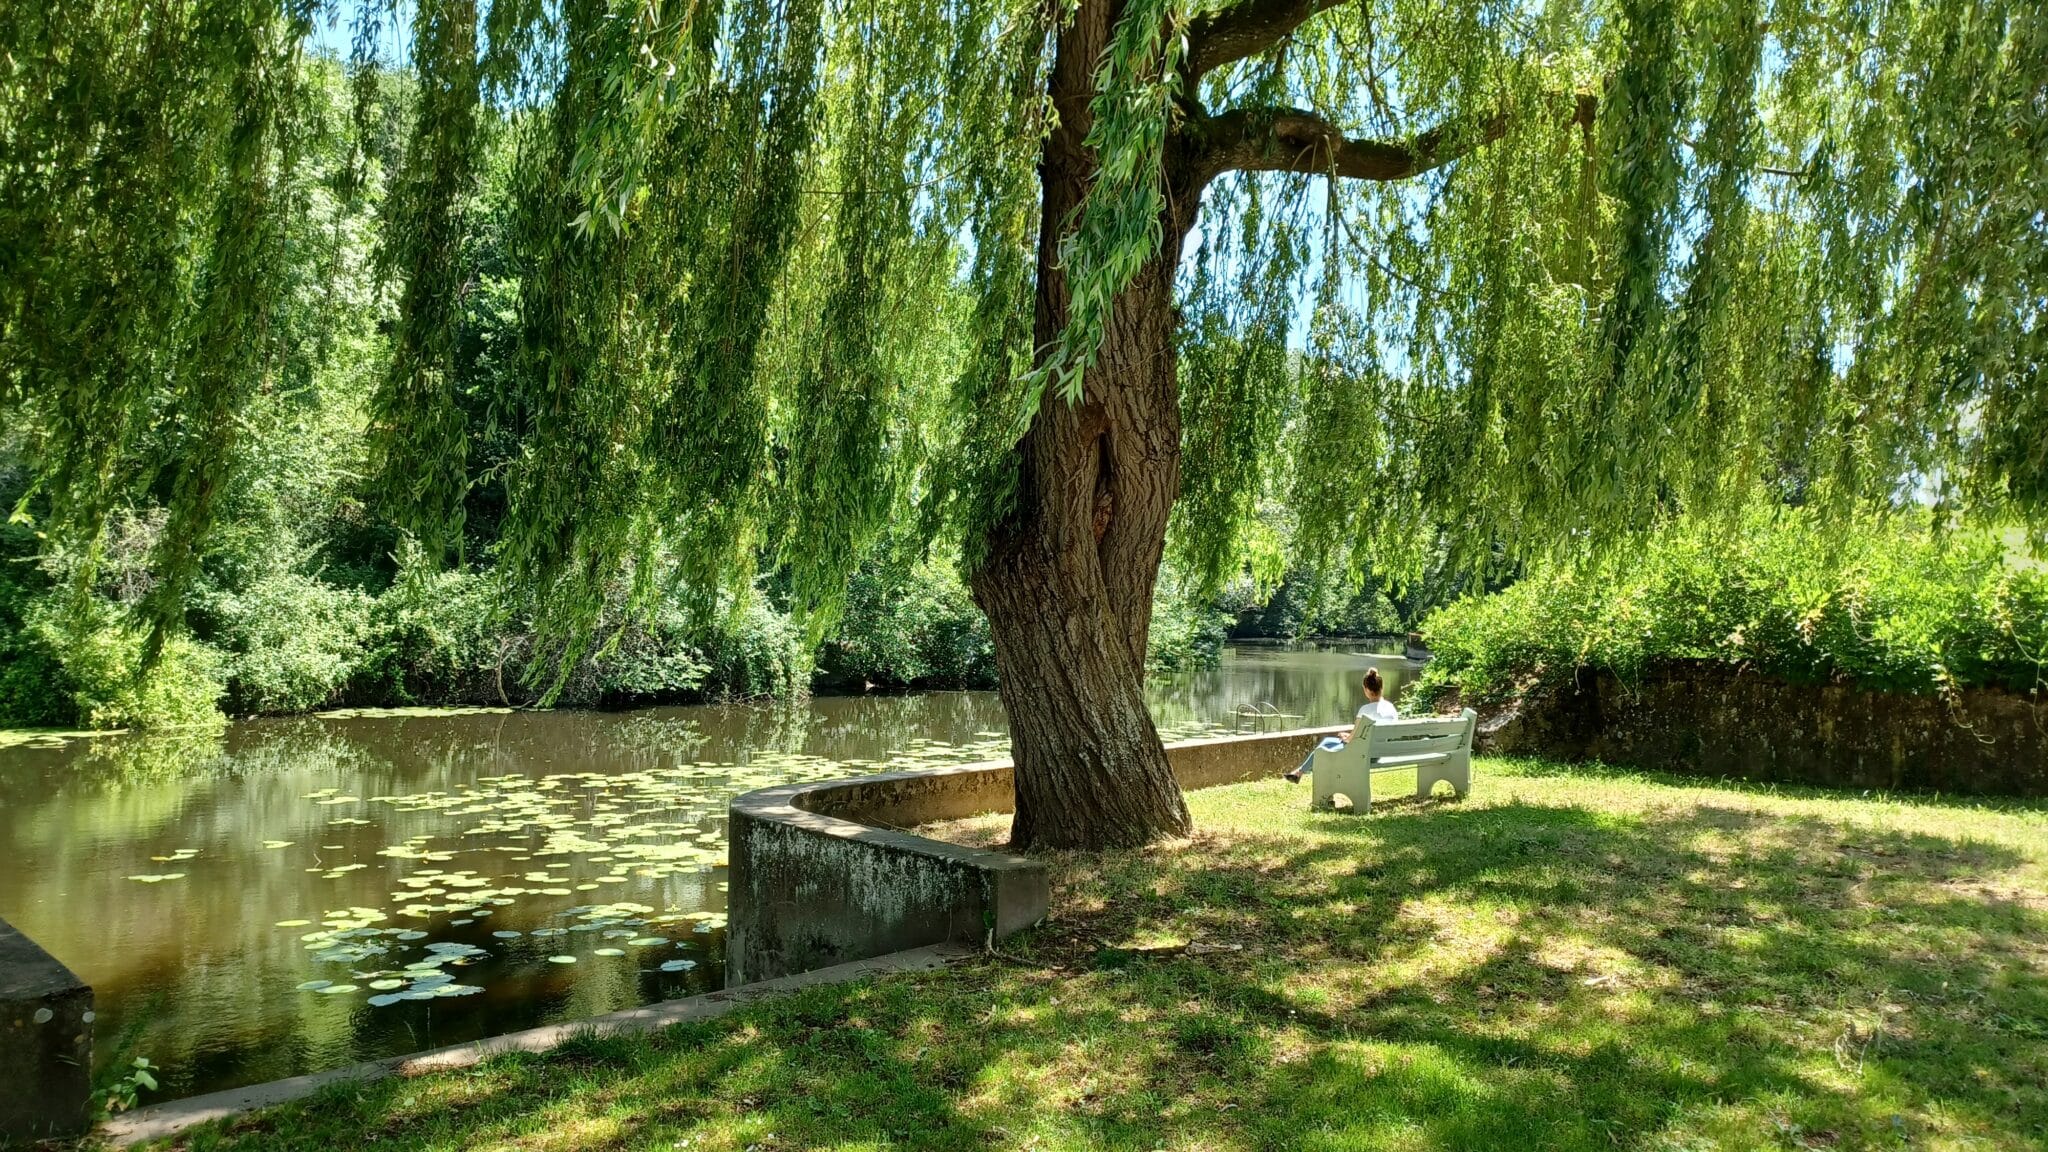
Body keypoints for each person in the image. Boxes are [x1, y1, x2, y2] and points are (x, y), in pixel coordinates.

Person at [1285, 666, 1397, 783]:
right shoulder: (1391, 708)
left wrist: (1347, 737)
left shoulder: (1365, 710)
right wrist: (1348, 737)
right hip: (1380, 752)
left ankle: (1303, 774)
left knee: (1322, 751)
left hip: (1363, 754)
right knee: (1327, 742)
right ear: (1381, 688)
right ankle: (1299, 773)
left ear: (1367, 690)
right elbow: (1364, 736)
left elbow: (1352, 739)